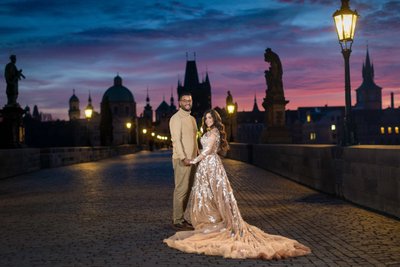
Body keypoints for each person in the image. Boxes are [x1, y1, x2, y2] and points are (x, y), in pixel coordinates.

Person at [164, 109, 311, 260]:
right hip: (205, 168)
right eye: (206, 118)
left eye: (210, 117)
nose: (207, 120)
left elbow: (207, 150)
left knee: (216, 194)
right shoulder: (208, 131)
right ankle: (209, 221)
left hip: (212, 166)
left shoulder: (214, 132)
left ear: (215, 119)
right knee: (207, 196)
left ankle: (216, 222)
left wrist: (192, 161)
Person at [169, 92, 198, 230]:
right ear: (180, 102)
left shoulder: (192, 119)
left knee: (188, 189)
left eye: (189, 100)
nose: (187, 102)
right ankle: (177, 220)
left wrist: (197, 157)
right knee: (181, 189)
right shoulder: (176, 118)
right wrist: (183, 158)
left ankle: (182, 217)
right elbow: (176, 140)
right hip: (182, 159)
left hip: (192, 160)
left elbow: (194, 140)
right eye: (185, 100)